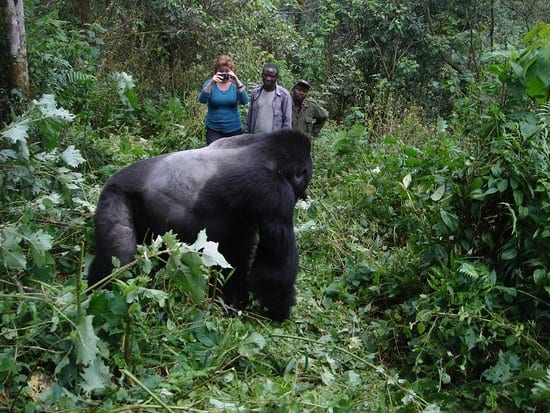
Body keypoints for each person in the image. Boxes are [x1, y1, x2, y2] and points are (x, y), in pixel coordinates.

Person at [199, 54, 249, 144]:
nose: (224, 74)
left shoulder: (235, 85)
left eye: (227, 71)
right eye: (221, 71)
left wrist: (237, 82)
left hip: (234, 128)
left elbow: (245, 101)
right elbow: (202, 100)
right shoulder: (209, 84)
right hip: (214, 130)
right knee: (213, 156)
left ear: (231, 71)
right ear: (216, 71)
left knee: (234, 157)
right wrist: (211, 83)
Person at [244, 63, 292, 134]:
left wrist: (284, 141)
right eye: (266, 75)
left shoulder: (284, 95)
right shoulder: (256, 92)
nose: (268, 78)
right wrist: (246, 135)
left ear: (276, 77)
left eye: (272, 76)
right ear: (262, 75)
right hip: (255, 138)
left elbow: (287, 121)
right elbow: (249, 117)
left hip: (273, 140)